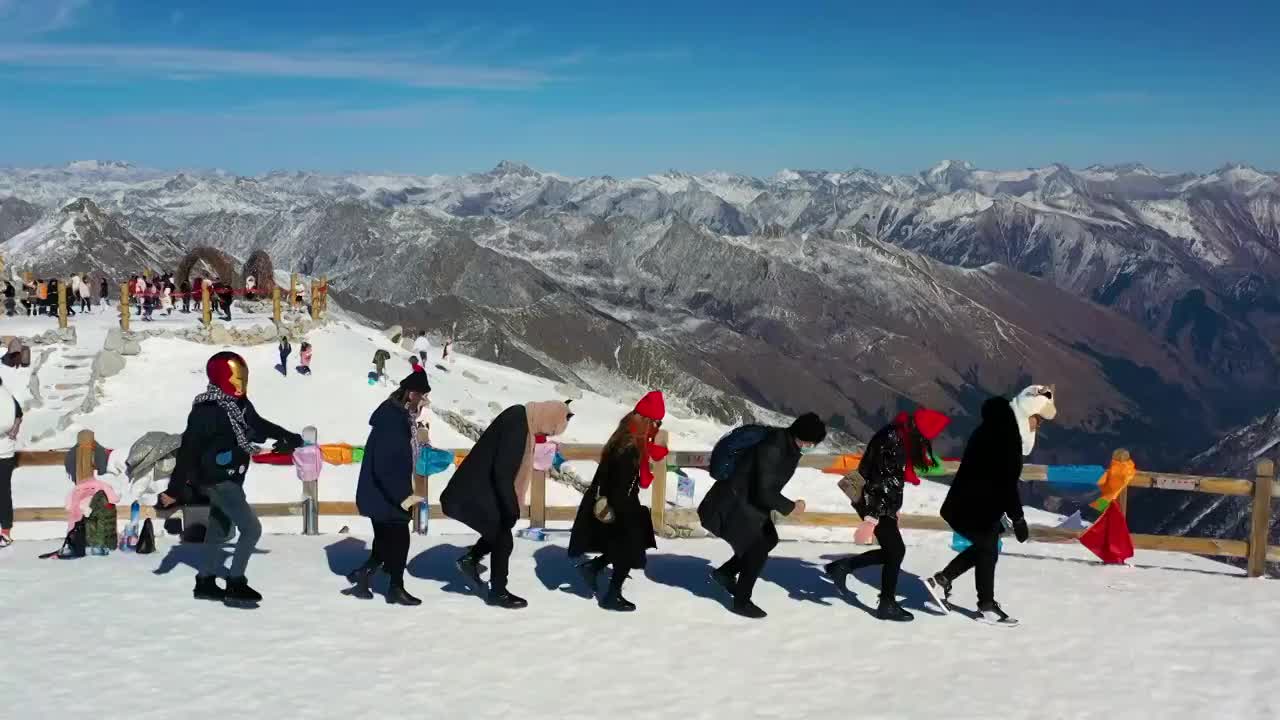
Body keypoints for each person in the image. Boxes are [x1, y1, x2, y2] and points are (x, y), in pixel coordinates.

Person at [170, 351, 303, 606]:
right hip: (218, 480)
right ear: (221, 377)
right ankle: (236, 582)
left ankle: (205, 581)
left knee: (218, 530)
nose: (241, 384)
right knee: (252, 529)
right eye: (236, 378)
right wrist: (175, 488)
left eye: (243, 378)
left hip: (231, 477)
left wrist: (288, 436)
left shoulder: (238, 405)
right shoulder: (207, 410)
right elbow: (188, 449)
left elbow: (257, 424)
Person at [924, 385, 1056, 627]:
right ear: (1028, 414)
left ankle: (943, 581)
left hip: (971, 504)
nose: (1039, 425)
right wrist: (1018, 519)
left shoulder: (994, 428)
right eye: (1038, 419)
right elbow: (1006, 483)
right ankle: (984, 605)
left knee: (987, 548)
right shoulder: (1007, 439)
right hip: (974, 507)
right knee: (987, 549)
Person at [442, 401, 572, 609]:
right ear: (547, 418)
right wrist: (511, 506)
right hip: (471, 495)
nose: (546, 435)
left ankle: (471, 560)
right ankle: (498, 593)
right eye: (550, 430)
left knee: (499, 531)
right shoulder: (517, 425)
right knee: (503, 539)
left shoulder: (521, 416)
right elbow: (503, 471)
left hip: (478, 490)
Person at [824, 408, 950, 622]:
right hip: (874, 502)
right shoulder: (894, 441)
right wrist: (871, 519)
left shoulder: (897, 434)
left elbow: (889, 480)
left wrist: (893, 509)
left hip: (879, 503)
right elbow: (880, 482)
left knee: (894, 551)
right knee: (896, 551)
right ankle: (886, 604)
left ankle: (843, 568)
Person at [698, 412, 827, 618]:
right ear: (803, 438)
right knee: (756, 549)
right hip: (733, 503)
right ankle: (741, 601)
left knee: (768, 539)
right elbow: (764, 491)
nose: (812, 446)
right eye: (812, 442)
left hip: (747, 503)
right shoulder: (774, 447)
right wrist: (791, 507)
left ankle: (725, 573)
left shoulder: (786, 444)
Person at [569, 391, 665, 611]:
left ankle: (593, 567)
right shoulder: (629, 448)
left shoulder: (625, 436)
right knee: (628, 549)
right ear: (647, 421)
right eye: (657, 422)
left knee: (627, 545)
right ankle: (612, 595)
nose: (657, 427)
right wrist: (625, 515)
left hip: (615, 502)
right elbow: (622, 483)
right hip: (618, 505)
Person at [348, 372, 432, 605]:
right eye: (422, 398)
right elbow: (387, 467)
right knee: (398, 540)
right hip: (385, 495)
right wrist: (404, 499)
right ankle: (395, 588)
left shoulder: (392, 416)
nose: (423, 403)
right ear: (412, 394)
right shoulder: (394, 422)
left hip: (377, 494)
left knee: (385, 542)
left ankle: (364, 574)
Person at [0, 376, 23, 547]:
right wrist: (14, 430)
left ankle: (5, 532)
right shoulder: (7, 396)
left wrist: (14, 430)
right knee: (3, 493)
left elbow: (18, 415)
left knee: (3, 493)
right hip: (6, 452)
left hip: (4, 452)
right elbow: (19, 415)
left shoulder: (5, 397)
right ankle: (5, 532)